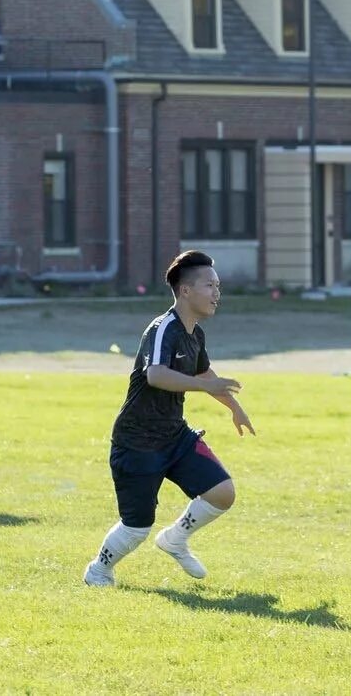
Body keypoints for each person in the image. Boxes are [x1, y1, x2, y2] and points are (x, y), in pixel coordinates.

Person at [83, 250, 255, 587]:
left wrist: (233, 407)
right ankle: (98, 570)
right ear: (186, 291)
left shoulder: (195, 335)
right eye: (210, 285)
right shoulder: (163, 329)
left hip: (174, 436)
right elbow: (157, 376)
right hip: (137, 442)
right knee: (136, 528)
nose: (217, 293)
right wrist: (205, 387)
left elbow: (206, 374)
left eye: (218, 286)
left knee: (222, 493)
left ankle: (175, 539)